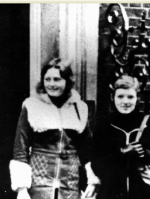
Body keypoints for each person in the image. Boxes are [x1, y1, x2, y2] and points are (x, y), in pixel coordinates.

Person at [9, 58, 100, 199]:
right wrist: (22, 189)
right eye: (47, 79)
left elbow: (87, 150)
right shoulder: (32, 106)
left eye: (57, 79)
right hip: (39, 185)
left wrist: (91, 180)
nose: (51, 84)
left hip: (70, 185)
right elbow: (20, 149)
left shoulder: (79, 108)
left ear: (67, 81)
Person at [91, 75, 150, 199]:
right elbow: (96, 164)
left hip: (144, 194)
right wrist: (122, 152)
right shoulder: (104, 125)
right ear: (112, 97)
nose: (125, 102)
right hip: (111, 194)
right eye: (120, 96)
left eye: (130, 97)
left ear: (137, 98)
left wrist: (144, 153)